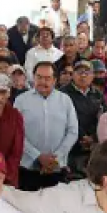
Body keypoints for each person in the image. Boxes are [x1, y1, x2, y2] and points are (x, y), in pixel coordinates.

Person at [14, 61, 77, 191]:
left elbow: (72, 131)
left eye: (47, 78)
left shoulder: (65, 100)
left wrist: (56, 158)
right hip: (28, 167)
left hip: (57, 168)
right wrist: (38, 156)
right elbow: (16, 133)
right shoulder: (21, 100)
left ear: (55, 79)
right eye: (39, 77)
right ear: (33, 77)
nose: (43, 81)